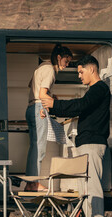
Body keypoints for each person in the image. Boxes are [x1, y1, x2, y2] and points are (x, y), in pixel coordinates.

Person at [41, 55, 110, 217]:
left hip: (93, 144)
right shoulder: (93, 90)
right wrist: (54, 107)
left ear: (92, 69)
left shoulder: (99, 88)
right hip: (86, 143)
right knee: (85, 188)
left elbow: (80, 105)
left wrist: (55, 104)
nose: (79, 75)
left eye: (81, 71)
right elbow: (81, 106)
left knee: (92, 185)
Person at [24, 44, 73, 191]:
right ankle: (33, 183)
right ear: (59, 58)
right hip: (39, 108)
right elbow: (42, 94)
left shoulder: (41, 67)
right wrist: (52, 103)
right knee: (39, 148)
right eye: (66, 61)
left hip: (31, 108)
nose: (67, 65)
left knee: (34, 147)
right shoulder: (50, 69)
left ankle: (30, 183)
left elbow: (31, 86)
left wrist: (49, 97)